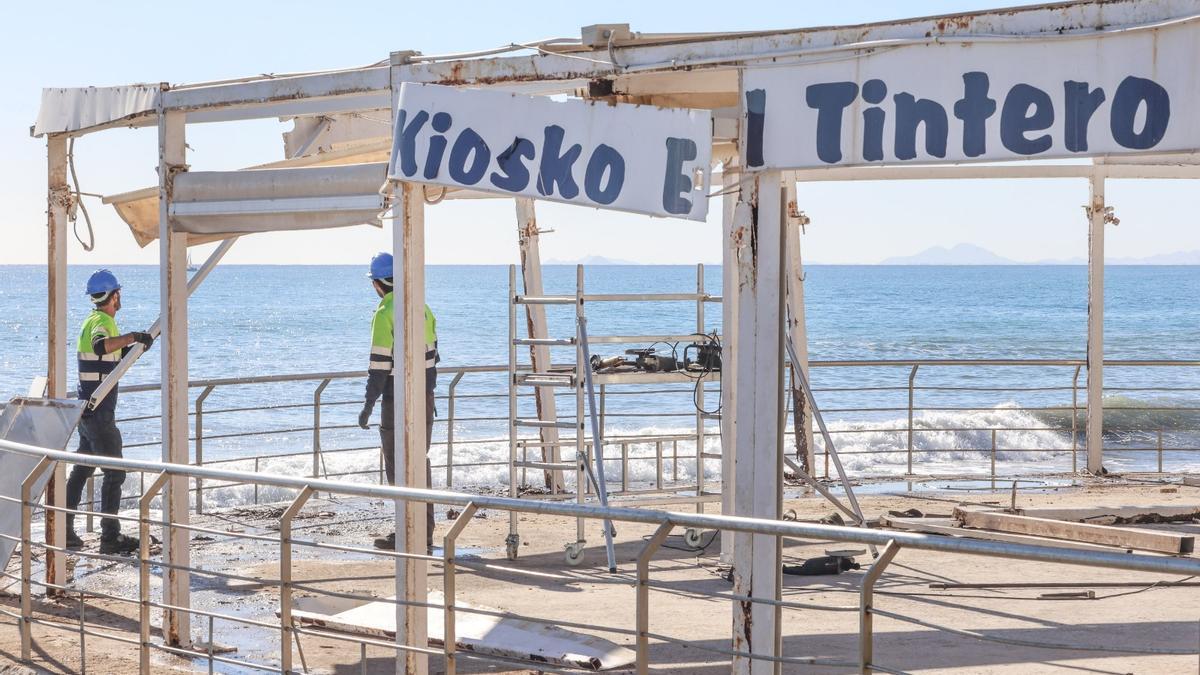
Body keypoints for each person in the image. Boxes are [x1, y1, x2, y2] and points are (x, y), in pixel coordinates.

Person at [65, 270, 154, 555]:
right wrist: (131, 336)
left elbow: (108, 362)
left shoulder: (92, 320)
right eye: (119, 293)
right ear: (114, 295)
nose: (120, 297)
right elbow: (100, 346)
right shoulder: (102, 322)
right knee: (115, 473)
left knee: (82, 469)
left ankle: (65, 530)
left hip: (87, 408)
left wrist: (135, 345)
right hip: (99, 412)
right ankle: (110, 538)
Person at [357, 252, 439, 551]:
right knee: (419, 462)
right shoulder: (423, 309)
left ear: (378, 284)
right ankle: (424, 533)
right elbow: (433, 359)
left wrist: (368, 404)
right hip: (425, 398)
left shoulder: (385, 313)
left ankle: (407, 533)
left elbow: (379, 366)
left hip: (397, 400)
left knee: (397, 464)